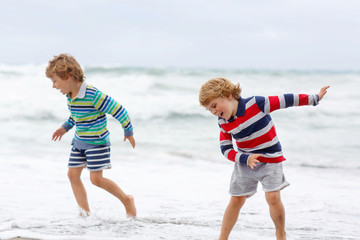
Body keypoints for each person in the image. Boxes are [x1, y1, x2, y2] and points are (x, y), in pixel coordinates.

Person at [199, 77, 329, 240]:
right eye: (209, 110)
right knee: (236, 200)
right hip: (245, 162)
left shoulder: (256, 104)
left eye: (214, 106)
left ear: (228, 95)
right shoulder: (223, 122)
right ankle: (222, 237)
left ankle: (280, 233)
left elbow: (285, 100)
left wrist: (314, 98)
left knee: (272, 197)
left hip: (270, 158)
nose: (213, 112)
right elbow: (225, 149)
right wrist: (245, 158)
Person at [46, 53, 136, 217]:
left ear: (67, 76)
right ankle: (85, 215)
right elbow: (76, 116)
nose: (53, 86)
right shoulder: (70, 96)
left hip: (97, 143)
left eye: (54, 81)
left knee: (96, 179)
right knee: (72, 175)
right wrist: (64, 128)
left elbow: (119, 110)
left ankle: (126, 199)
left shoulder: (93, 95)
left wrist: (128, 131)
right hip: (79, 142)